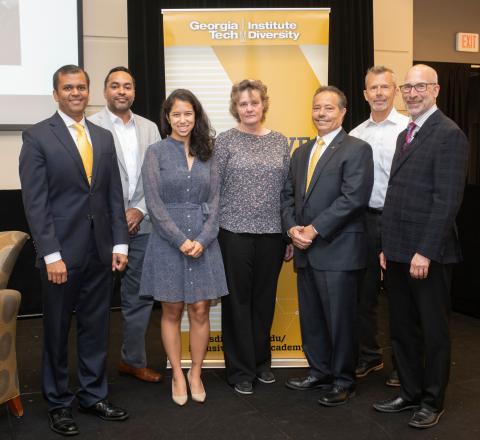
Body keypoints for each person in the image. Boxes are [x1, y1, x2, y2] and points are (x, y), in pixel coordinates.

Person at [19, 65, 129, 436]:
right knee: (55, 331)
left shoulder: (102, 137)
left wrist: (119, 243)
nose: (76, 93)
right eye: (68, 88)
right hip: (60, 258)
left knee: (97, 328)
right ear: (56, 94)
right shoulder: (36, 137)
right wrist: (51, 254)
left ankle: (93, 395)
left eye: (81, 87)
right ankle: (58, 402)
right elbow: (36, 204)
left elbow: (114, 195)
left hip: (100, 252)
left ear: (88, 92)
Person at [373, 64, 468, 428]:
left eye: (420, 87)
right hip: (397, 251)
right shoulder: (405, 134)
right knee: (401, 327)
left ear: (436, 90)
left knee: (432, 331)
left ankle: (432, 400)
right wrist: (385, 246)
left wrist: (424, 251)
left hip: (428, 254)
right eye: (408, 88)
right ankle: (409, 392)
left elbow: (447, 202)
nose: (412, 93)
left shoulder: (449, 134)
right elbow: (395, 196)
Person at [281, 86, 373, 406]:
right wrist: (291, 227)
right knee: (313, 318)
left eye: (328, 108)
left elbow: (353, 199)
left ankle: (343, 379)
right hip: (306, 250)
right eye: (316, 107)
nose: (321, 113)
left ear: (343, 112)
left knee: (340, 320)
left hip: (338, 250)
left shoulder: (357, 149)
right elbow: (289, 196)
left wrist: (314, 230)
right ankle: (319, 371)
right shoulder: (301, 152)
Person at [139, 89, 228, 406]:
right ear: (167, 118)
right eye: (176, 114)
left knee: (201, 310)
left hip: (205, 241)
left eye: (188, 113)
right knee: (172, 309)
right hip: (167, 242)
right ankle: (177, 372)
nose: (182, 120)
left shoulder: (209, 152)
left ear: (196, 115)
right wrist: (180, 240)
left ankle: (196, 372)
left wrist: (202, 239)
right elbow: (154, 203)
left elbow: (217, 202)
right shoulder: (155, 153)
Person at [215, 79, 292, 395]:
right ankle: (240, 370)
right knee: (237, 302)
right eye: (243, 104)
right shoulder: (224, 141)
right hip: (233, 233)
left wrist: (288, 237)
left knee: (263, 302)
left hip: (272, 234)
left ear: (264, 105)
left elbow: (287, 191)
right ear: (236, 107)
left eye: (254, 103)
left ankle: (261, 363)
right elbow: (214, 189)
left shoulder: (279, 142)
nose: (249, 108)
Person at [89, 66, 162, 383]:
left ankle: (133, 360)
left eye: (127, 86)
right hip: (101, 229)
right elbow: (86, 181)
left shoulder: (150, 129)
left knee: (140, 298)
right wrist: (118, 213)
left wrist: (140, 210)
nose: (122, 91)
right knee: (96, 299)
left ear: (134, 92)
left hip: (142, 226)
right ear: (105, 91)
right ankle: (93, 370)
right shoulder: (89, 125)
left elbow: (158, 180)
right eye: (115, 86)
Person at [349, 66, 408, 386]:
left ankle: (403, 365)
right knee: (364, 294)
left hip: (399, 220)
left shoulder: (410, 129)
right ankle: (369, 356)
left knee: (400, 296)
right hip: (365, 220)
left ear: (395, 90)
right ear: (365, 94)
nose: (380, 93)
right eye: (374, 88)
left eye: (386, 87)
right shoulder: (357, 134)